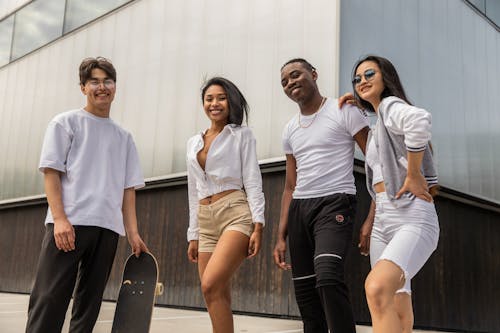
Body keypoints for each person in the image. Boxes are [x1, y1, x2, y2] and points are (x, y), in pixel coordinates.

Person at [26, 57, 148, 333]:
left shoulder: (124, 137)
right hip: (69, 224)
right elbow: (51, 173)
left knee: (89, 304)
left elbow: (128, 189)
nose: (102, 87)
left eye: (107, 81)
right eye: (94, 81)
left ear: (115, 87)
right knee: (49, 298)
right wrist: (59, 219)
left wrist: (133, 233)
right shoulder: (65, 123)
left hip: (106, 229)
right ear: (83, 87)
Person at [273, 58, 370, 333]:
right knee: (305, 292)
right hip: (300, 208)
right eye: (284, 81)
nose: (290, 82)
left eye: (295, 75)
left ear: (313, 74)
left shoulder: (344, 110)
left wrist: (374, 215)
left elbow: (377, 160)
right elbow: (290, 186)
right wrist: (281, 236)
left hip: (336, 201)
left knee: (327, 276)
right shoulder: (290, 129)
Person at [351, 55, 440, 333]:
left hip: (412, 216)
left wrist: (414, 173)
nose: (362, 81)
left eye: (369, 75)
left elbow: (419, 120)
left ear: (385, 78)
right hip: (384, 220)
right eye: (357, 79)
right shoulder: (380, 122)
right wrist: (354, 100)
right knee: (397, 301)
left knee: (377, 288)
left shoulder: (390, 106)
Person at [186, 77, 265, 333]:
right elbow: (193, 190)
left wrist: (258, 225)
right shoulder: (193, 142)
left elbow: (253, 179)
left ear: (230, 101)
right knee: (214, 293)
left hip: (235, 214)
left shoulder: (241, 135)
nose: (215, 103)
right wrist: (193, 234)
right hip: (205, 219)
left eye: (221, 98)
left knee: (210, 283)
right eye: (209, 99)